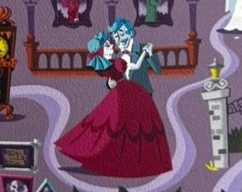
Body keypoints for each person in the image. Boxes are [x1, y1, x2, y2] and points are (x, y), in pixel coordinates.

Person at [55, 19, 172, 178]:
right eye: (116, 35)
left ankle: (140, 166)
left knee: (140, 134)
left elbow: (157, 70)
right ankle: (113, 163)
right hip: (122, 98)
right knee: (116, 131)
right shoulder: (118, 56)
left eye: (121, 33)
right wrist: (109, 84)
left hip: (142, 97)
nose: (118, 38)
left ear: (130, 33)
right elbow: (113, 78)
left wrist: (150, 53)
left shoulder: (142, 48)